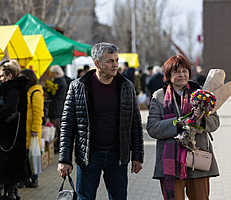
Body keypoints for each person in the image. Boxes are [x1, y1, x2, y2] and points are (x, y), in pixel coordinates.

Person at [57, 42, 144, 200]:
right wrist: (64, 159)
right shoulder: (78, 87)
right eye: (110, 61)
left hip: (117, 156)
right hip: (88, 156)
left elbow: (135, 124)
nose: (115, 65)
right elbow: (67, 125)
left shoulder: (126, 86)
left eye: (116, 60)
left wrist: (137, 155)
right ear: (96, 63)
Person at [146, 55, 220, 200]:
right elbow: (153, 128)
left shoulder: (201, 94)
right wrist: (180, 123)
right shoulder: (159, 96)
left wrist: (200, 119)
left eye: (184, 71)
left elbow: (215, 122)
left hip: (197, 157)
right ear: (168, 75)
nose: (181, 75)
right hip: (170, 160)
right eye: (177, 72)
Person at [0, 59, 28, 200]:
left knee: (8, 166)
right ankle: (11, 191)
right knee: (12, 167)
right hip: (14, 134)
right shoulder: (18, 87)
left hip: (9, 135)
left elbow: (9, 110)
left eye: (2, 76)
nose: (1, 79)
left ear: (10, 75)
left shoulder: (12, 89)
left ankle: (10, 193)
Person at [19, 69, 44, 188]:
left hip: (32, 130)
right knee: (26, 156)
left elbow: (38, 112)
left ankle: (34, 179)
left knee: (32, 155)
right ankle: (27, 178)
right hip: (26, 129)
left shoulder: (36, 92)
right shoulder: (29, 90)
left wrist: (34, 129)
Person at [47, 65, 67, 154]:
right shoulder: (60, 81)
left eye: (52, 73)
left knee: (57, 129)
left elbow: (53, 94)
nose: (51, 75)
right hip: (58, 108)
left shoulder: (59, 82)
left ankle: (58, 147)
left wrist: (47, 90)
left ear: (56, 73)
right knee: (58, 129)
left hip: (57, 108)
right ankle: (58, 147)